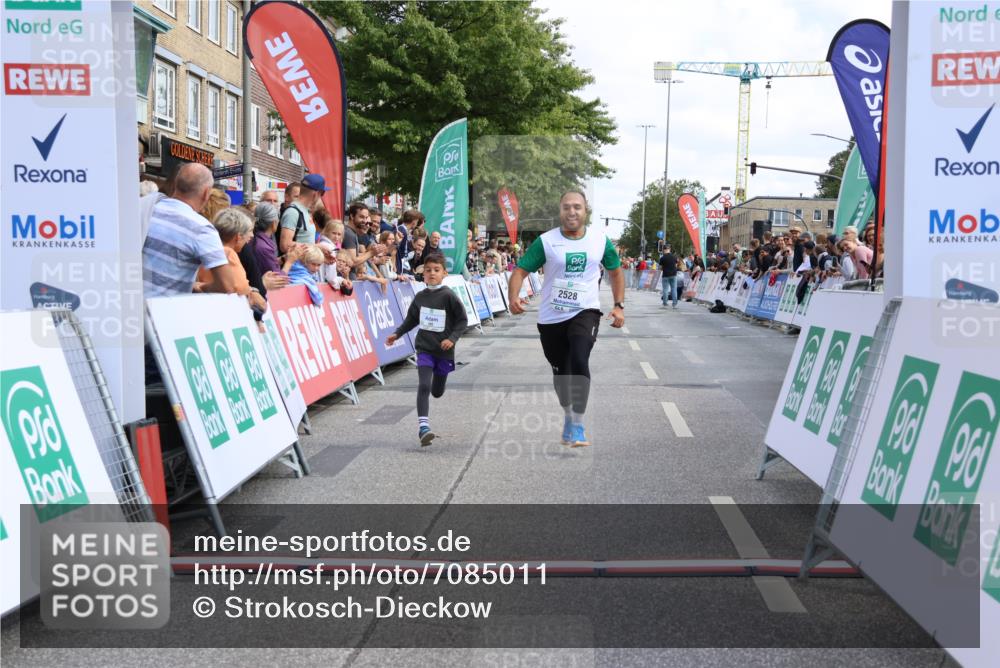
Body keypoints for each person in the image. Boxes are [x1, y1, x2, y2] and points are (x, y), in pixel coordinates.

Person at [506, 190, 625, 448]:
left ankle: (579, 424)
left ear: (586, 211)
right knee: (561, 373)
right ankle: (569, 416)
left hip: (585, 311)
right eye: (567, 207)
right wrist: (513, 296)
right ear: (560, 211)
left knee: (580, 359)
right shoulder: (546, 242)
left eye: (577, 207)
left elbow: (615, 273)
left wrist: (618, 305)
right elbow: (520, 271)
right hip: (551, 318)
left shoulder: (599, 240)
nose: (572, 212)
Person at [386, 252, 468, 447]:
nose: (431, 273)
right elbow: (412, 319)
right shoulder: (420, 297)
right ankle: (424, 428)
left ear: (444, 273)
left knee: (437, 391)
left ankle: (437, 385)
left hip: (444, 351)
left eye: (436, 270)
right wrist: (397, 334)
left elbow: (462, 320)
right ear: (423, 274)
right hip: (424, 348)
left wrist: (452, 338)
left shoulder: (448, 295)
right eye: (428, 270)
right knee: (423, 385)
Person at [142, 163, 236, 297]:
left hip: (129, 306)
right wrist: (202, 287)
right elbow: (227, 285)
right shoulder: (201, 229)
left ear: (175, 184)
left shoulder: (148, 209)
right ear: (205, 193)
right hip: (163, 312)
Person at [195, 207, 268, 313]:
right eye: (249, 232)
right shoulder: (229, 253)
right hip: (224, 311)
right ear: (238, 237)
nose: (251, 236)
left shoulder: (207, 250)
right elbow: (240, 286)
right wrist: (252, 291)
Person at [279, 174, 327, 253]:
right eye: (322, 194)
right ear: (316, 194)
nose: (321, 197)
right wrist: (317, 247)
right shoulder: (293, 212)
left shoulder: (304, 211)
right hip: (296, 264)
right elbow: (285, 245)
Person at [658, 244, 679, 309]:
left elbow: (660, 267)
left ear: (664, 250)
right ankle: (674, 304)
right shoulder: (674, 257)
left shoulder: (662, 258)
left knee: (665, 289)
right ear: (669, 249)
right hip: (673, 275)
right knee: (674, 289)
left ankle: (665, 303)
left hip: (665, 275)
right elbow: (676, 265)